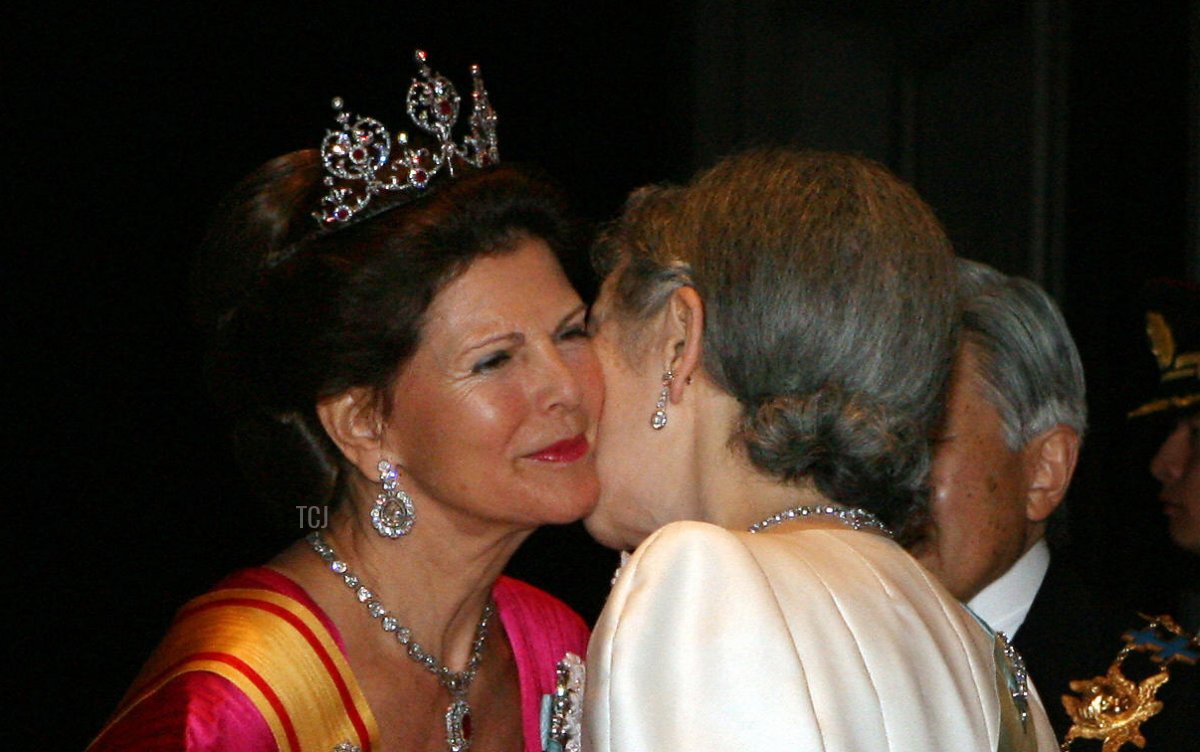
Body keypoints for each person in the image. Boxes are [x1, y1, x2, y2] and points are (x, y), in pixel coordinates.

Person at [89, 52, 600, 752]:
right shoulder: (236, 699)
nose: (567, 388)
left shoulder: (556, 648)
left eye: (571, 332)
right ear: (364, 423)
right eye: (495, 360)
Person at [581, 149, 1058, 751]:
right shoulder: (983, 655)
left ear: (680, 340)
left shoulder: (703, 584)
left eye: (593, 329)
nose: (573, 381)